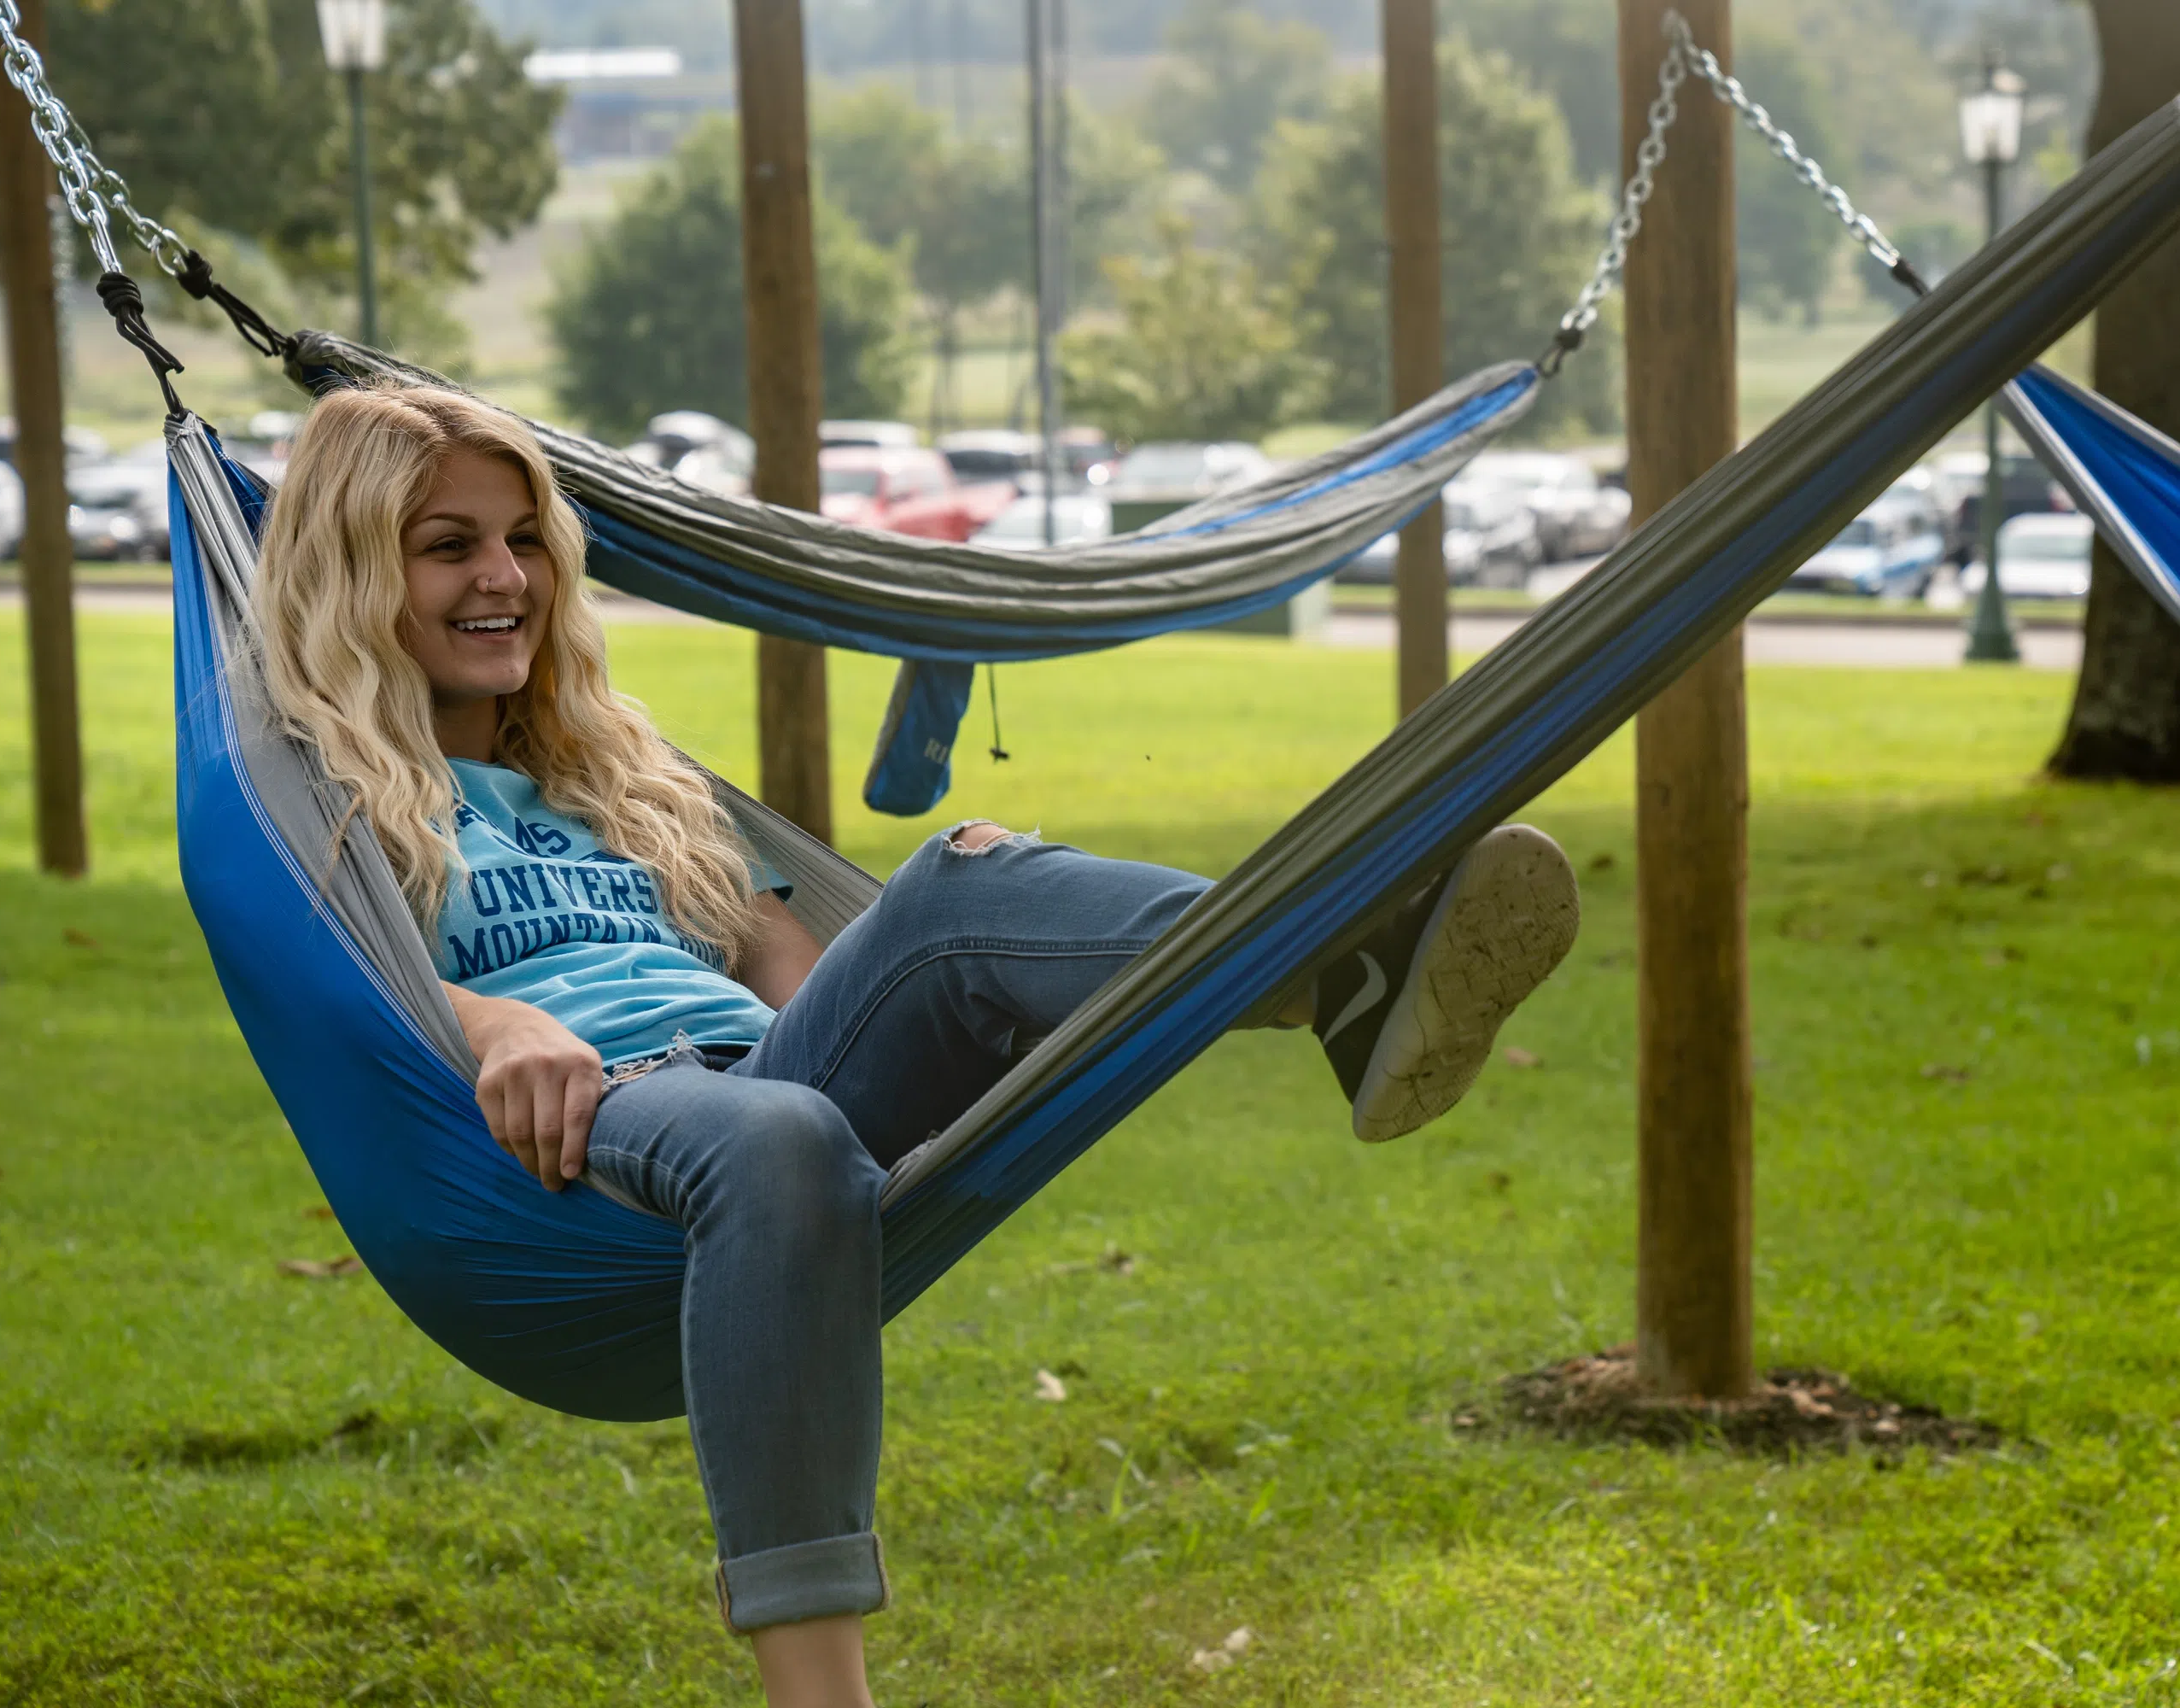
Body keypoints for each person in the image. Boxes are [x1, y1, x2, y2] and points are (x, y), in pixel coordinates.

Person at [254, 383, 1580, 1707]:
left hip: (772, 1091)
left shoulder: (619, 767)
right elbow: (340, 981)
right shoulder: (308, 778)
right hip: (592, 1133)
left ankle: (1341, 972)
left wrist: (983, 1031)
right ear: (361, 569)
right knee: (774, 1132)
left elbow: (807, 979)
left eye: (526, 539)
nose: (505, 577)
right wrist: (495, 1019)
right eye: (449, 546)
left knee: (952, 886)